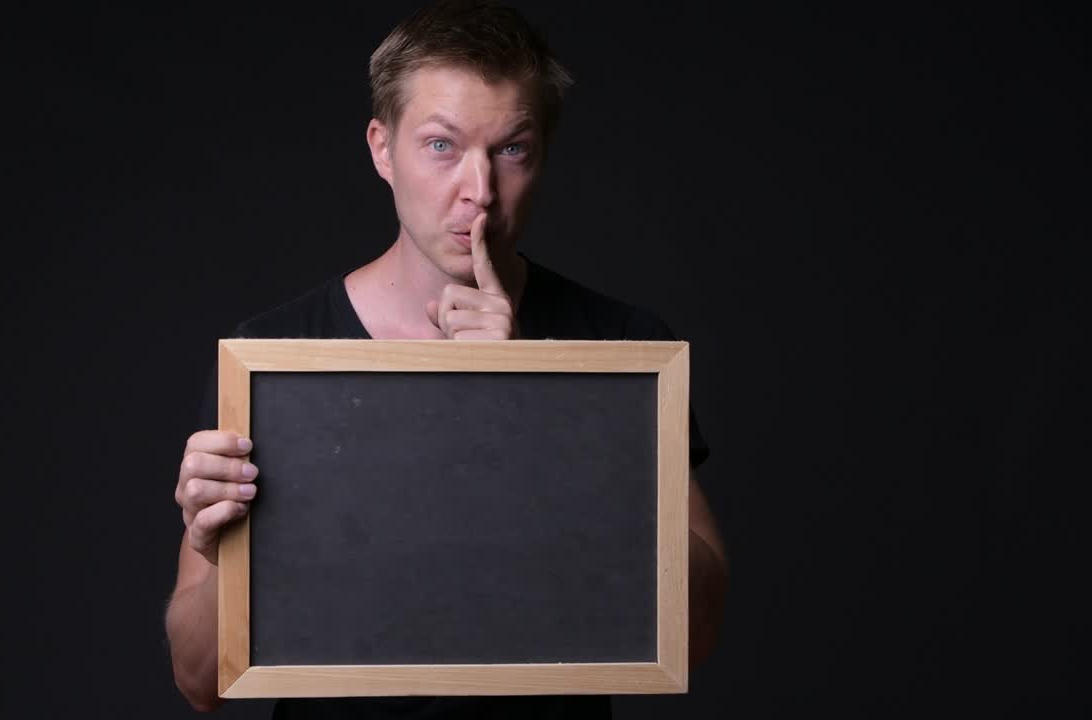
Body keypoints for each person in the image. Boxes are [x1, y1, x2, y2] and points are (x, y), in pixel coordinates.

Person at [165, 1, 729, 716]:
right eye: (441, 146)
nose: (480, 192)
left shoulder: (620, 345)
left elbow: (698, 630)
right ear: (381, 147)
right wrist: (220, 553)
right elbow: (198, 680)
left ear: (543, 154)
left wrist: (538, 404)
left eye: (511, 149)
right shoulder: (272, 363)